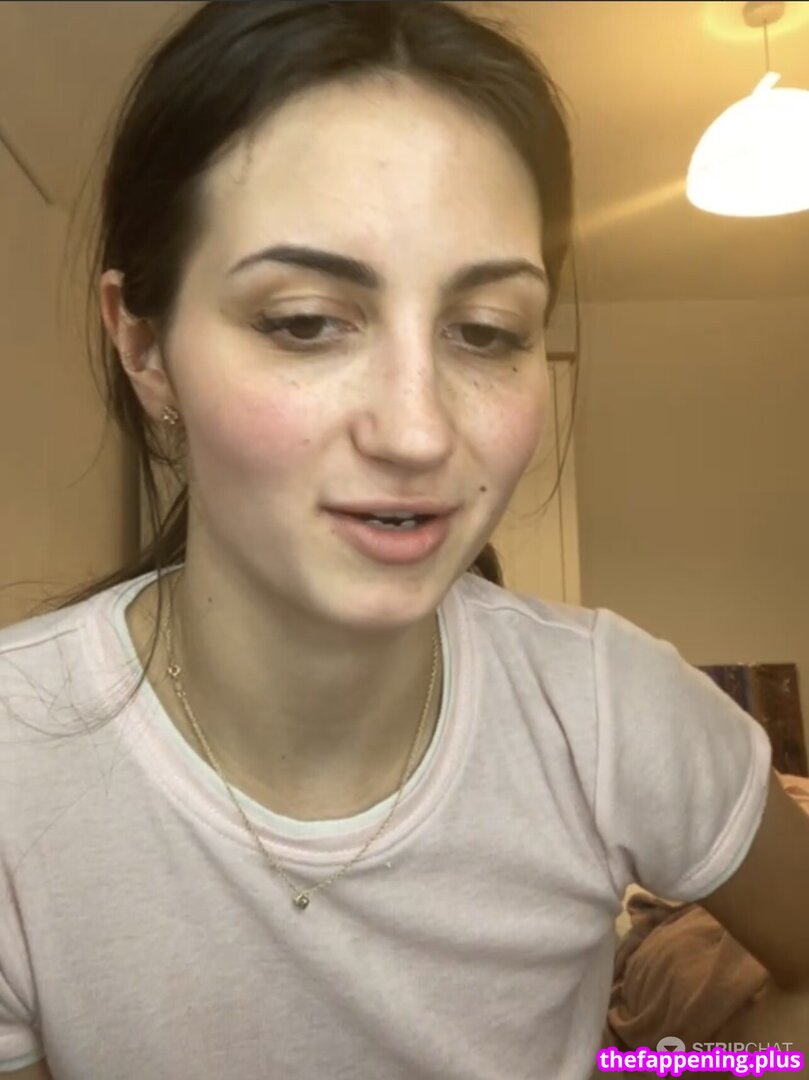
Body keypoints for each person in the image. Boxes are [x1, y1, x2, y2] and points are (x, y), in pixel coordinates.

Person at [1, 3, 808, 1078]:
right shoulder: (18, 763)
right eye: (303, 321)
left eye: (484, 332)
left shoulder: (608, 707)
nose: (419, 432)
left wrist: (669, 1071)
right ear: (145, 346)